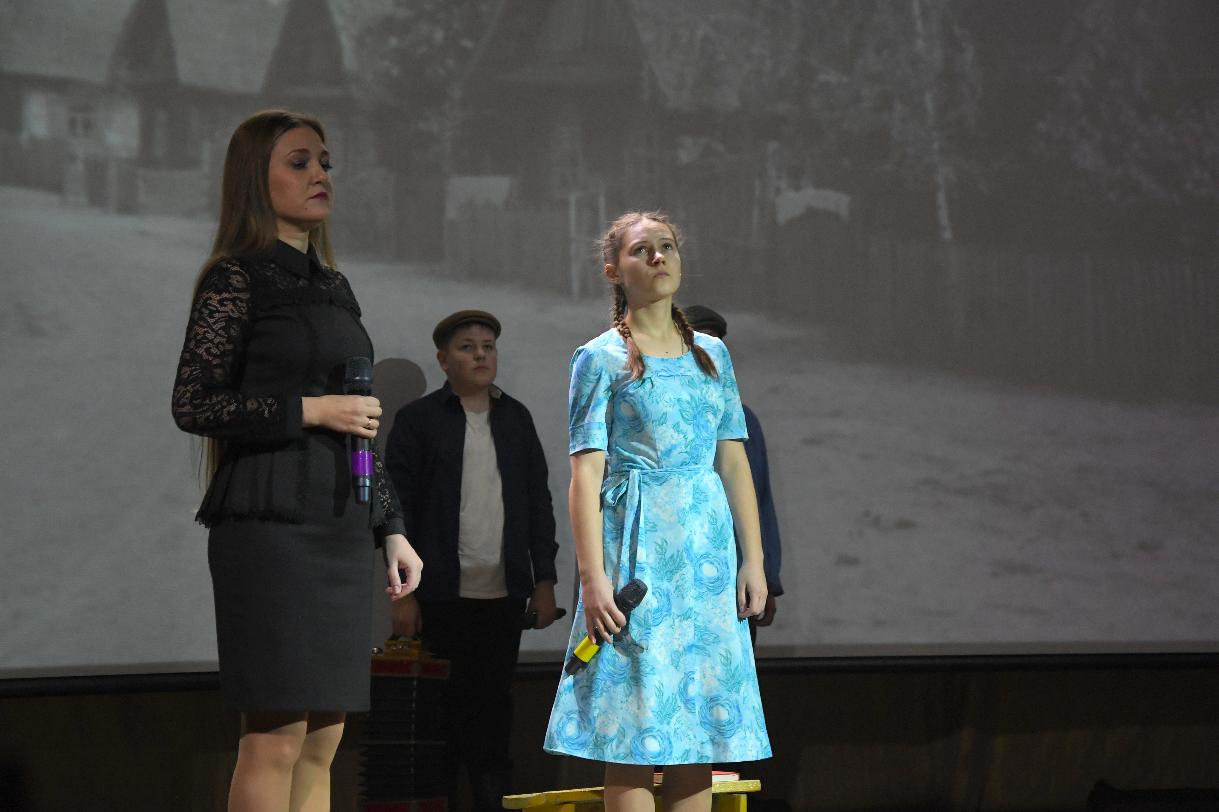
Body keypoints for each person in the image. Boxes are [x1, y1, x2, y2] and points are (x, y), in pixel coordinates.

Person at [171, 109, 423, 812]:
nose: (320, 175)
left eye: (325, 163)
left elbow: (360, 418)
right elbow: (194, 403)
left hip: (339, 526)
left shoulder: (333, 286)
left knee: (323, 740)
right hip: (271, 527)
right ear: (256, 177)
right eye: (300, 161)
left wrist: (392, 528)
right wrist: (310, 410)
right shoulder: (236, 278)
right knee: (275, 738)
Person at [544, 212, 771, 812]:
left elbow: (734, 462)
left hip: (704, 552)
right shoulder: (599, 358)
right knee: (635, 724)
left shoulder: (712, 355)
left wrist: (753, 560)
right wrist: (593, 579)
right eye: (642, 249)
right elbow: (585, 474)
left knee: (699, 729)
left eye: (666, 246)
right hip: (636, 549)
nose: (658, 257)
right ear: (614, 270)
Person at [385, 310, 559, 811]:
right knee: (439, 717)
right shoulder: (418, 420)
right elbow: (397, 509)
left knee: (493, 715)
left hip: (504, 596)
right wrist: (404, 595)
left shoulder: (516, 418)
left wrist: (544, 581)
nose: (481, 355)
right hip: (439, 595)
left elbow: (538, 502)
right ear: (443, 361)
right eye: (467, 347)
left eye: (488, 346)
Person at [682, 305, 784, 639]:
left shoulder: (743, 420)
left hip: (735, 588)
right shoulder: (661, 416)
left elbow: (760, 502)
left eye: (717, 345)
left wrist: (767, 575)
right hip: (678, 580)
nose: (709, 355)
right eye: (700, 343)